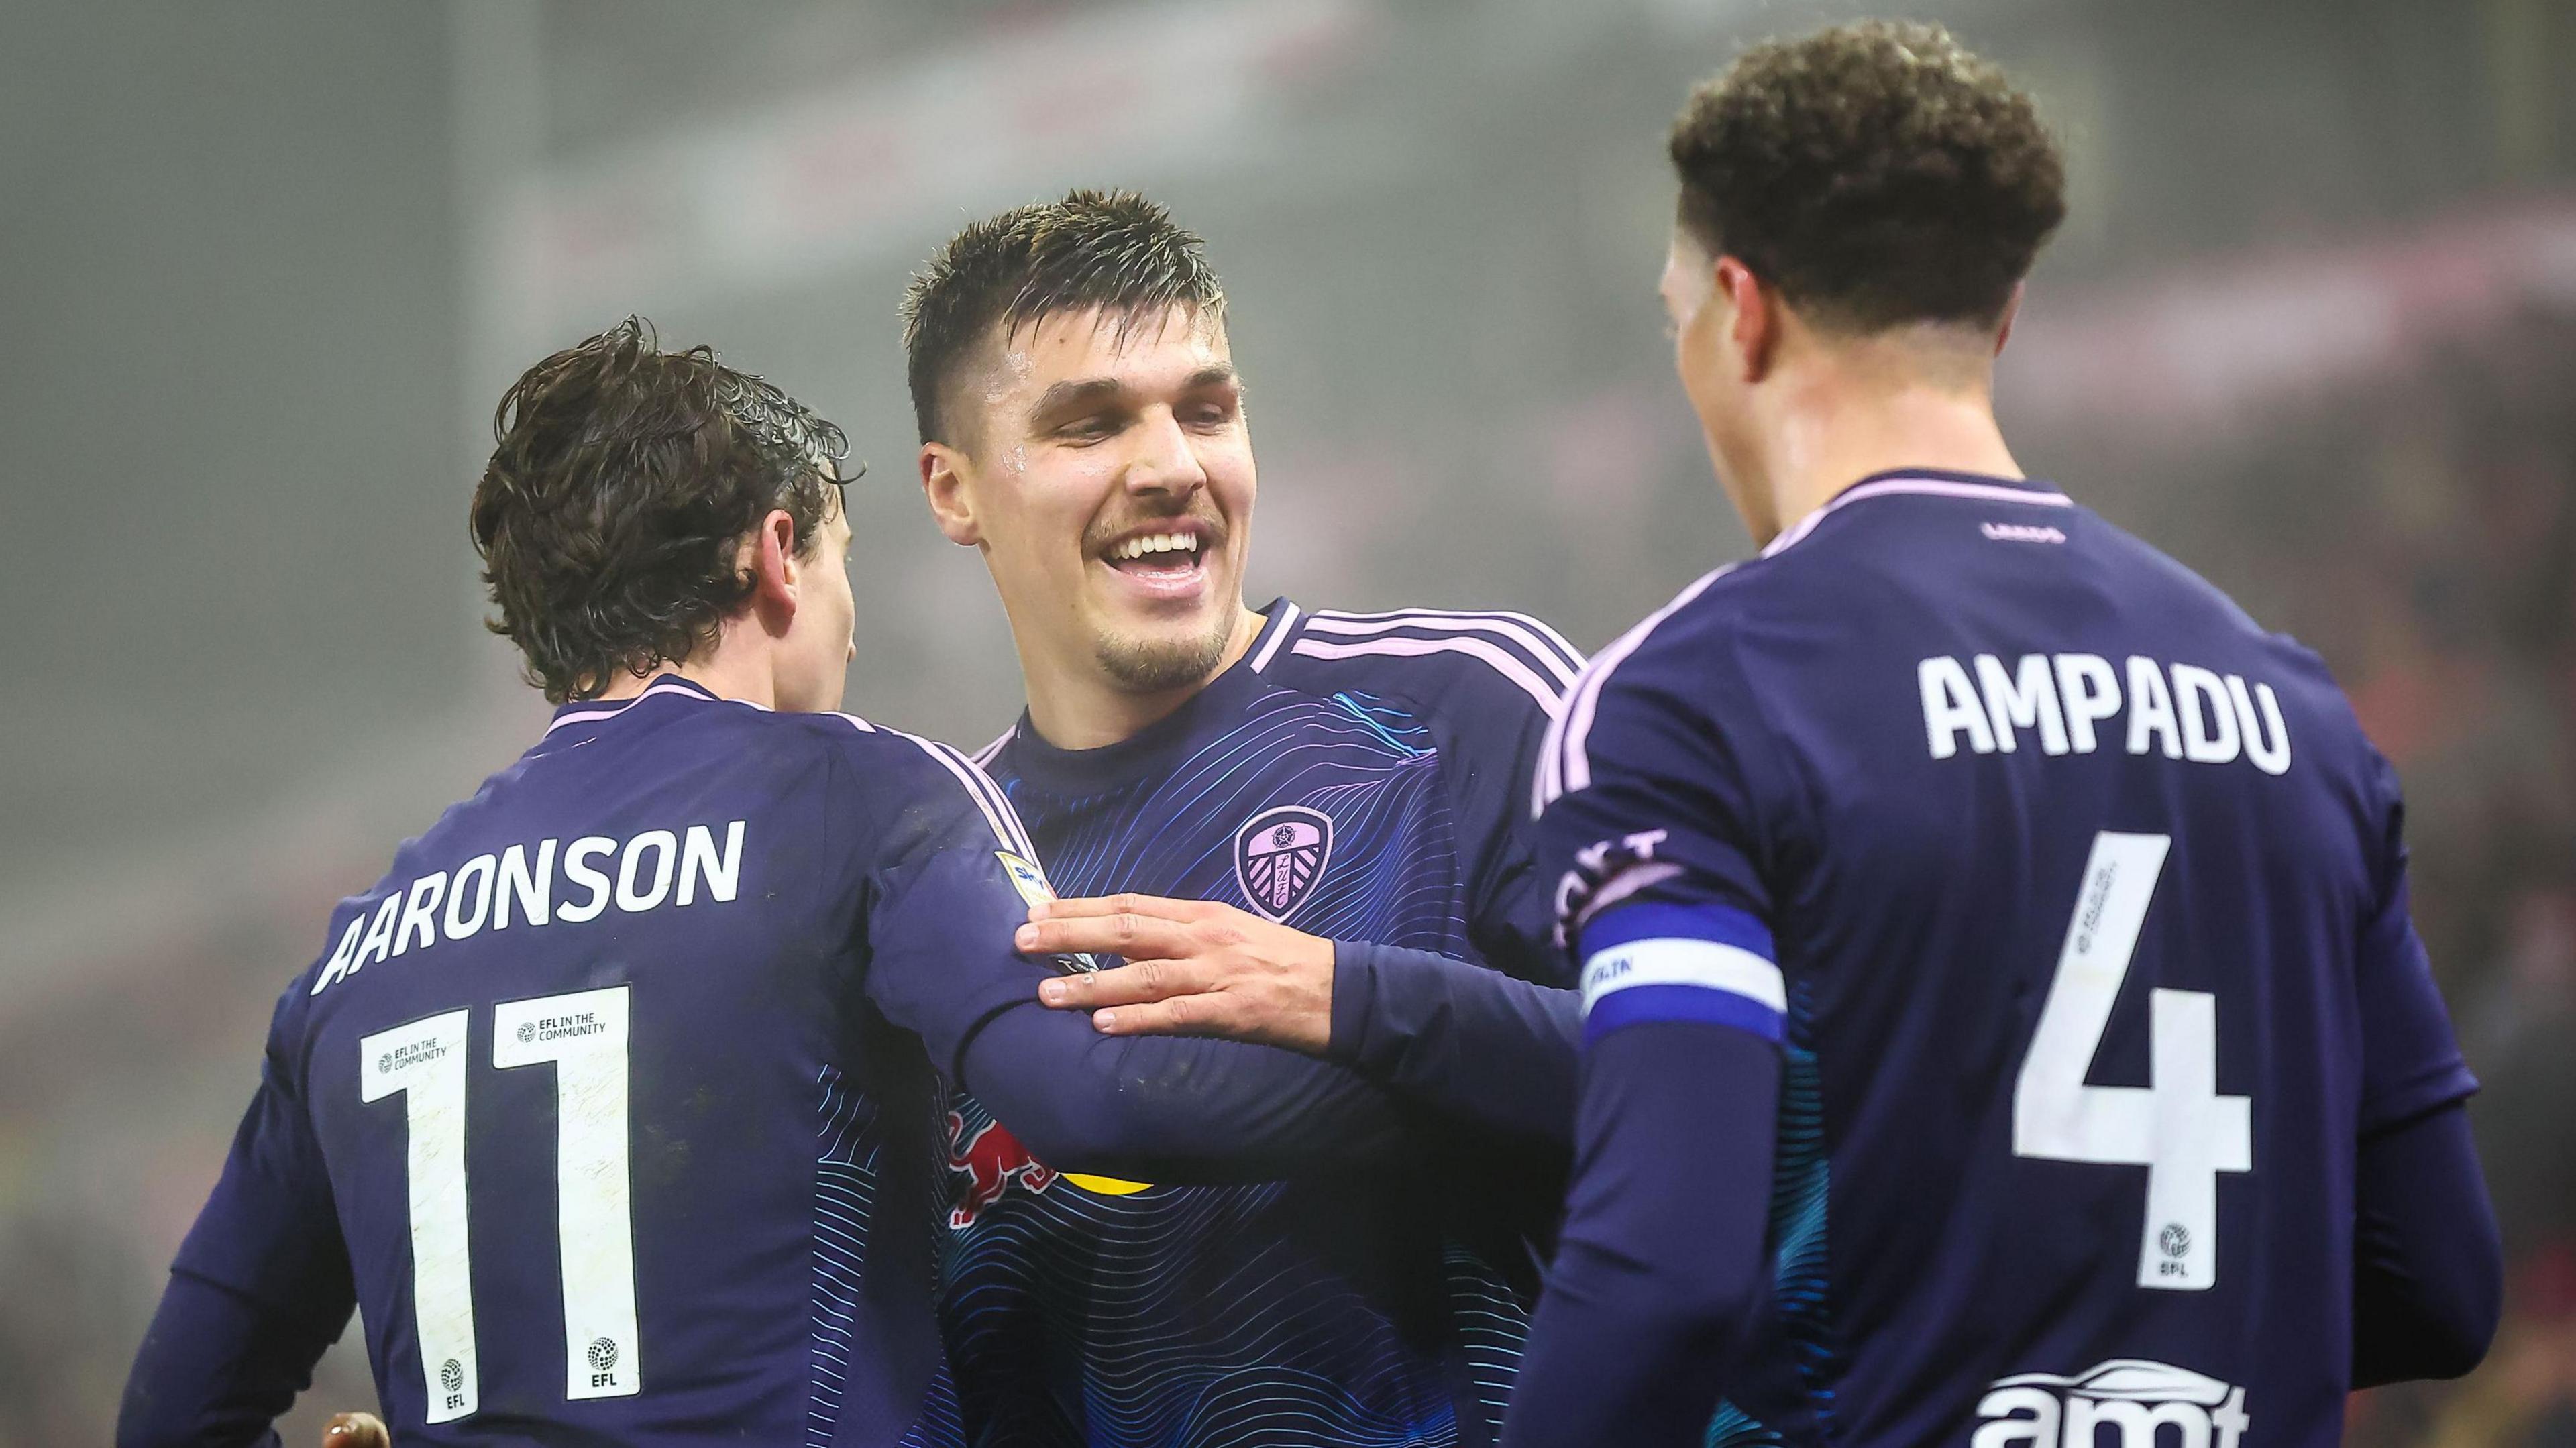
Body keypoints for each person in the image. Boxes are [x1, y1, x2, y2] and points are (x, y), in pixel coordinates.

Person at [115, 321, 1415, 1447]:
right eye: (844, 562)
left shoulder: (358, 953)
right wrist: (1451, 1071)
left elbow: (176, 1416)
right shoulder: (856, 797)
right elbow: (1103, 1109)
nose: (851, 619)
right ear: (779, 554)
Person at [1496, 21, 2501, 1445]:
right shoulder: (2296, 709)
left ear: (1742, 313)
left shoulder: (1693, 697)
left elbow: (1662, 1278)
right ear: (2006, 311)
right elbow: (2442, 1287)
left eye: (1677, 323)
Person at [902, 190, 1580, 1447]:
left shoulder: (1463, 708)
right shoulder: (932, 872)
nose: (1172, 466)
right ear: (955, 490)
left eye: (1207, 410)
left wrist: (1344, 995)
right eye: (1091, 424)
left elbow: (1729, 1075)